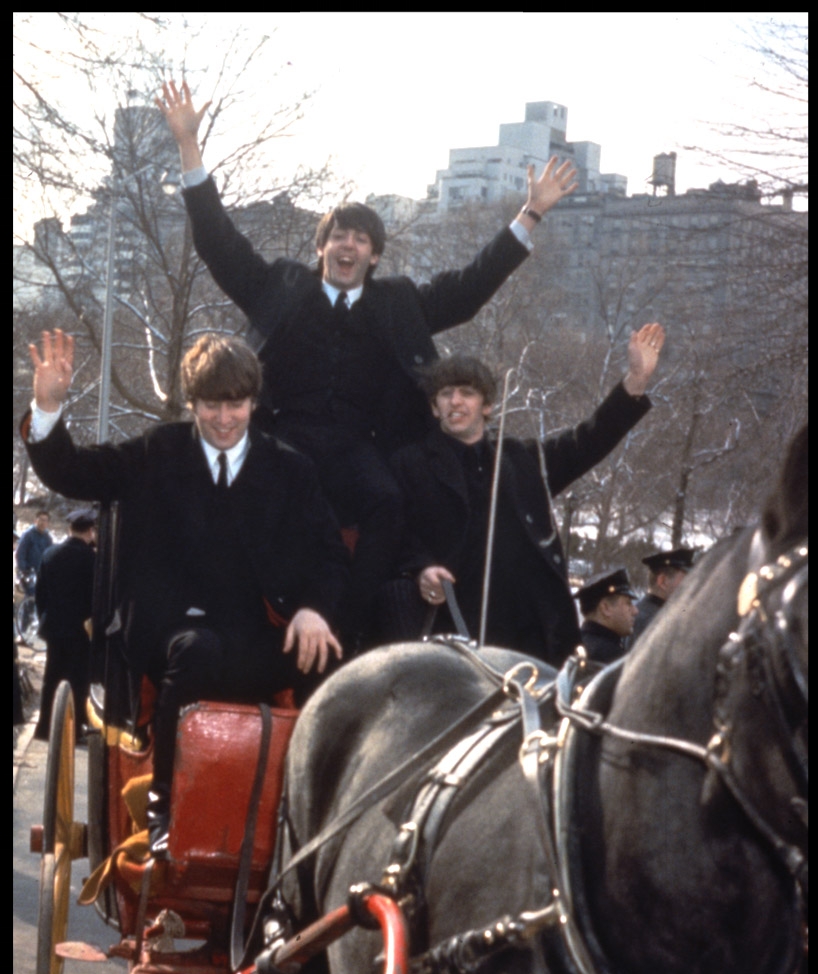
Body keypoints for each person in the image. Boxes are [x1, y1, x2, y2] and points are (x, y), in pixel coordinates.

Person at [156, 79, 578, 644]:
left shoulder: (398, 303)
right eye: (338, 236)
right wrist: (190, 147)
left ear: (374, 255)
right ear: (321, 247)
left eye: (360, 239)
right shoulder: (281, 286)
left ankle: (342, 620)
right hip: (283, 437)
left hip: (359, 446)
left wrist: (531, 213)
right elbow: (218, 242)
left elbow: (470, 288)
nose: (348, 246)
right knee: (271, 496)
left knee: (387, 500)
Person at [23, 329, 348, 857]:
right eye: (212, 405)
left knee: (329, 665)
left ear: (252, 402)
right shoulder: (157, 451)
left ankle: (313, 820)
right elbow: (71, 470)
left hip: (255, 629)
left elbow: (330, 555)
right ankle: (164, 805)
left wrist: (314, 611)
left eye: (236, 405)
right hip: (170, 628)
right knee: (198, 652)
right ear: (192, 403)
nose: (224, 419)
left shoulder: (291, 468)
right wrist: (47, 406)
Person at [381, 323, 665, 665]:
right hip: (450, 640)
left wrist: (635, 380)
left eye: (466, 392)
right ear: (434, 407)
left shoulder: (520, 458)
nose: (455, 401)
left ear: (486, 406)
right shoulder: (409, 464)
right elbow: (393, 536)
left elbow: (587, 441)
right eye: (444, 394)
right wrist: (421, 569)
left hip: (532, 641)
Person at [33, 508, 97, 742]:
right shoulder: (93, 560)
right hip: (81, 629)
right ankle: (76, 728)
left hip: (55, 627)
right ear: (90, 531)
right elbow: (96, 598)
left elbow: (40, 595)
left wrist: (46, 619)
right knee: (79, 679)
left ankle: (44, 728)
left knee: (52, 676)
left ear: (69, 529)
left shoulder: (50, 554)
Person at [574, 567, 638, 664]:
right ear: (606, 608)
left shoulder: (574, 645)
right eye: (628, 603)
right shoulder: (612, 658)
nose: (635, 611)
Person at [631, 546, 696, 642]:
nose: (691, 585)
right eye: (686, 580)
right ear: (663, 582)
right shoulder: (651, 622)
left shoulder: (649, 614)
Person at [15, 510, 53, 576]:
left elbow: (50, 554)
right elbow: (20, 554)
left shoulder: (47, 537)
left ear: (48, 523)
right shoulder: (28, 535)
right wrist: (24, 570)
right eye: (41, 520)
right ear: (35, 521)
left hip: (42, 572)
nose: (43, 523)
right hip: (29, 572)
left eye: (45, 520)